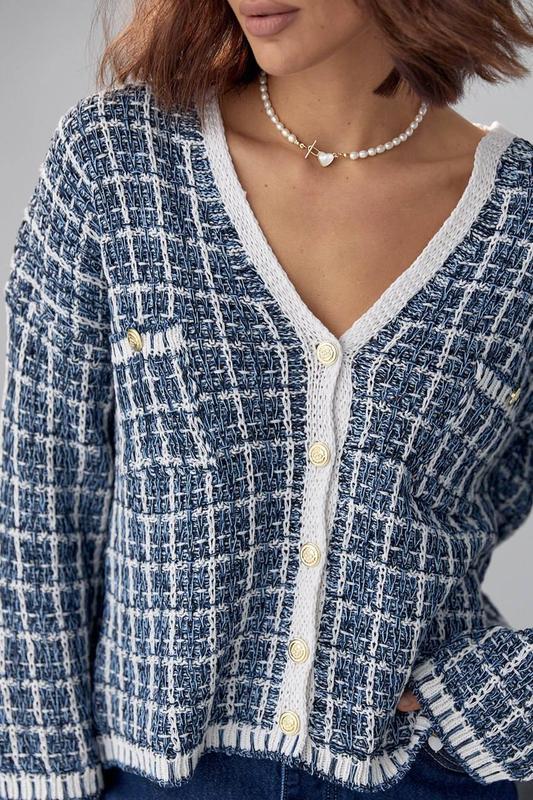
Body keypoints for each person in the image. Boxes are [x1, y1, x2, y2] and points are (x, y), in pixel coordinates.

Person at [0, 0, 532, 798]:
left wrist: (498, 703)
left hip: (415, 770)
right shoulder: (119, 164)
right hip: (151, 773)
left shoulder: (518, 220)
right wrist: (41, 776)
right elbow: (36, 501)